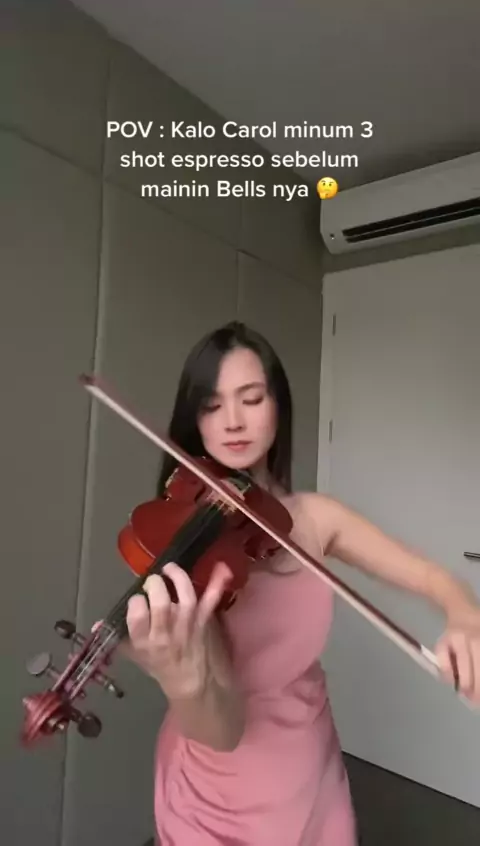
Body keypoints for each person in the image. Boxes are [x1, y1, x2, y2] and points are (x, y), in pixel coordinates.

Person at [121, 321, 480, 846]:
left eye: (251, 398)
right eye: (212, 406)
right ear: (194, 422)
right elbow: (223, 730)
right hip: (218, 796)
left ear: (278, 407)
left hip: (311, 764)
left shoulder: (315, 518)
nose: (234, 421)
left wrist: (465, 615)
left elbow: (432, 576)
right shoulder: (186, 550)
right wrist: (185, 685)